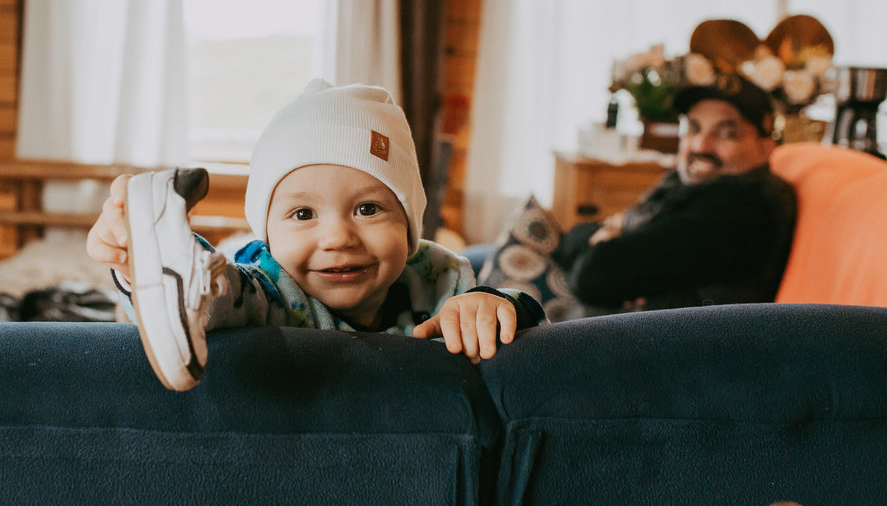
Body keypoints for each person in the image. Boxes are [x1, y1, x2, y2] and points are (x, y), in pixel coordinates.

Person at [87, 80, 545, 390]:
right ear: (269, 234)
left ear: (409, 225)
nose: (338, 237)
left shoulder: (440, 279)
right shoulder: (272, 289)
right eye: (304, 213)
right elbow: (230, 299)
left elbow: (531, 324)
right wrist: (135, 261)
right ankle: (169, 259)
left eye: (368, 209)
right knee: (213, 288)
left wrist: (491, 305)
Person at [553, 75, 797, 315]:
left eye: (725, 134)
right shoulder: (686, 183)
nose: (700, 146)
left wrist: (612, 235)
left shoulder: (742, 209)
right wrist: (606, 240)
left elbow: (593, 277)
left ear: (765, 148)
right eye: (693, 128)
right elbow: (573, 239)